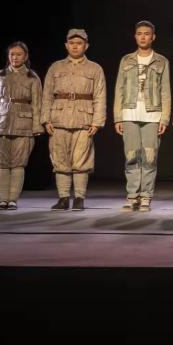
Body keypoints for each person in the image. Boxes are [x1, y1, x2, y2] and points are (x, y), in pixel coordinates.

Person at [41, 28, 107, 211]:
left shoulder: (95, 68)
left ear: (86, 46)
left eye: (79, 43)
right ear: (66, 45)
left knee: (81, 160)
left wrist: (97, 122)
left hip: (83, 119)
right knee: (60, 159)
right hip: (59, 119)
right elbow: (47, 95)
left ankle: (79, 198)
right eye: (71, 43)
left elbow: (100, 97)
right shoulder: (56, 67)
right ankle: (63, 198)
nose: (75, 46)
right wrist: (46, 119)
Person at [0, 41, 43, 210]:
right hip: (0, 122)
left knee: (18, 163)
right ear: (8, 56)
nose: (15, 57)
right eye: (12, 54)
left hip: (24, 124)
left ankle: (13, 200)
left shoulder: (32, 78)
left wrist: (37, 126)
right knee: (1, 163)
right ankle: (3, 200)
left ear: (26, 57)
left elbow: (37, 104)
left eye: (19, 54)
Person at [113, 21, 171, 212]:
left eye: (147, 34)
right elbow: (119, 89)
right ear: (135, 36)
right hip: (129, 113)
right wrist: (118, 117)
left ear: (153, 37)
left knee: (149, 157)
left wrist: (164, 118)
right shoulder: (126, 60)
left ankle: (146, 196)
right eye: (139, 33)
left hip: (152, 115)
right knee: (131, 156)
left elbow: (165, 92)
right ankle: (132, 196)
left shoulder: (161, 61)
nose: (143, 37)